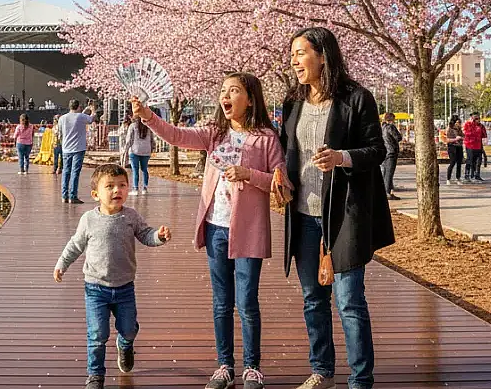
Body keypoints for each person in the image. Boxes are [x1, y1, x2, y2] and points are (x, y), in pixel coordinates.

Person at [134, 72, 284, 389]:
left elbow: (281, 184)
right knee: (221, 302)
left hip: (249, 230)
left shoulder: (266, 138)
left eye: (234, 90)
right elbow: (177, 136)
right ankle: (224, 366)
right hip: (216, 227)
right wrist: (148, 116)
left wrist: (248, 174)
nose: (225, 96)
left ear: (251, 99)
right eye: (223, 90)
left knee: (247, 302)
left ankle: (252, 367)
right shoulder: (214, 133)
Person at [279, 27, 392, 389]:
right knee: (313, 299)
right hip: (303, 215)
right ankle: (322, 371)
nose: (294, 61)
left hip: (344, 215)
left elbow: (377, 150)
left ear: (323, 56)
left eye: (300, 53)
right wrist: (278, 176)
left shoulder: (357, 98)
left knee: (348, 301)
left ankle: (360, 380)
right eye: (292, 54)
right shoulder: (292, 101)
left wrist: (341, 157)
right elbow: (283, 150)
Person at [54, 163, 171, 389]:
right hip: (95, 288)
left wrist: (159, 236)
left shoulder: (131, 216)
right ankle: (95, 375)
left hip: (125, 287)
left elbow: (146, 234)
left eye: (122, 185)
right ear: (95, 194)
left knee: (129, 329)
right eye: (110, 186)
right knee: (97, 334)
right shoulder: (89, 219)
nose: (117, 190)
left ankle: (125, 345)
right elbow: (75, 245)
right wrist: (62, 264)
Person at [58, 100, 97, 204]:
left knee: (66, 171)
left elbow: (60, 132)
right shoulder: (81, 117)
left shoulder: (62, 118)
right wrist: (93, 109)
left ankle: (64, 195)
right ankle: (73, 196)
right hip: (78, 148)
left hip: (66, 148)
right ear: (78, 107)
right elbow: (92, 118)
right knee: (75, 172)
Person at [121, 114, 154, 194]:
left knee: (135, 170)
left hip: (134, 150)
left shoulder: (132, 126)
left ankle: (135, 189)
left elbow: (129, 139)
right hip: (146, 151)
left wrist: (125, 149)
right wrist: (152, 149)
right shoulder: (148, 127)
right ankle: (145, 188)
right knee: (144, 169)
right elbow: (152, 140)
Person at [380, 115, 402, 200]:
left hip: (384, 152)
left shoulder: (381, 127)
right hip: (391, 152)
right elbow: (398, 137)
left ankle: (385, 191)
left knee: (385, 172)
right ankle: (387, 192)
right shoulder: (390, 127)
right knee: (389, 174)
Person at [462, 113, 487, 183]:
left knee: (477, 161)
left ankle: (476, 175)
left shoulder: (481, 126)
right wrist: (473, 128)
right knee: (470, 160)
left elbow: (484, 135)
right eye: (476, 119)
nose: (478, 120)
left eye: (479, 118)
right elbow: (465, 133)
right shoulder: (467, 124)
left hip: (478, 145)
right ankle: (467, 175)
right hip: (470, 145)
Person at [444, 116, 464, 185]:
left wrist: (461, 137)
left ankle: (458, 178)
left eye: (460, 122)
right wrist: (455, 139)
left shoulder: (459, 129)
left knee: (459, 163)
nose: (459, 124)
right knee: (452, 162)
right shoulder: (449, 129)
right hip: (452, 147)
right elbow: (447, 140)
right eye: (458, 122)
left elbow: (463, 136)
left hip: (459, 146)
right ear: (454, 122)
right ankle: (448, 178)